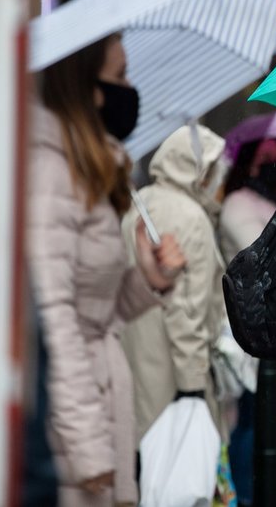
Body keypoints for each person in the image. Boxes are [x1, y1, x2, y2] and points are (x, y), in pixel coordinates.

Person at [27, 33, 186, 506]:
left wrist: (148, 282)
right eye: (119, 75)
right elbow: (50, 318)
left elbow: (96, 308)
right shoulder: (48, 172)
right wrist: (86, 446)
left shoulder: (88, 172)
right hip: (67, 425)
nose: (128, 88)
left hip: (101, 401)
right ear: (83, 89)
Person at [120, 125, 230, 448]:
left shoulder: (142, 202)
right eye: (211, 170)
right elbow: (187, 310)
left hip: (138, 358)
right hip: (173, 374)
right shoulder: (190, 216)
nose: (217, 180)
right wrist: (193, 386)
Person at [218, 133, 276, 506]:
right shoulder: (237, 203)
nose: (271, 163)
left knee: (271, 428)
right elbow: (264, 256)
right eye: (264, 156)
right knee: (251, 426)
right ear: (248, 161)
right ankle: (245, 497)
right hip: (249, 338)